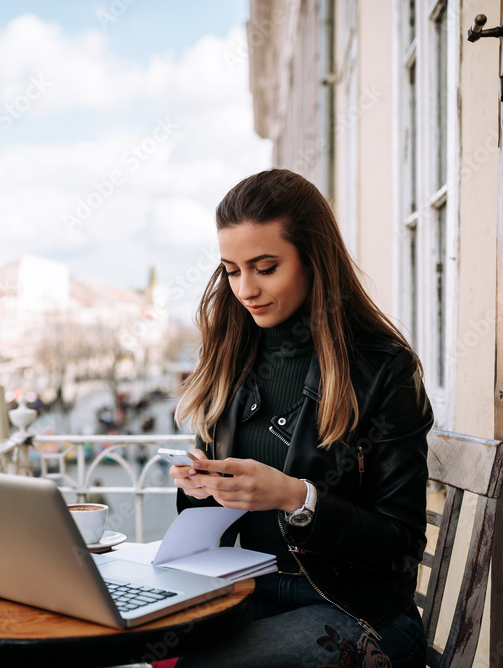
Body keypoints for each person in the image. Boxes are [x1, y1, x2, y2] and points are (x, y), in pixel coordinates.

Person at [169, 169, 432, 667]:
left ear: (314, 259)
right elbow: (206, 525)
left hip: (360, 613)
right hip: (249, 593)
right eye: (231, 270)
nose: (245, 289)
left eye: (265, 267)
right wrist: (199, 485)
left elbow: (399, 544)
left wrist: (297, 497)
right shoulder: (230, 360)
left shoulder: (383, 368)